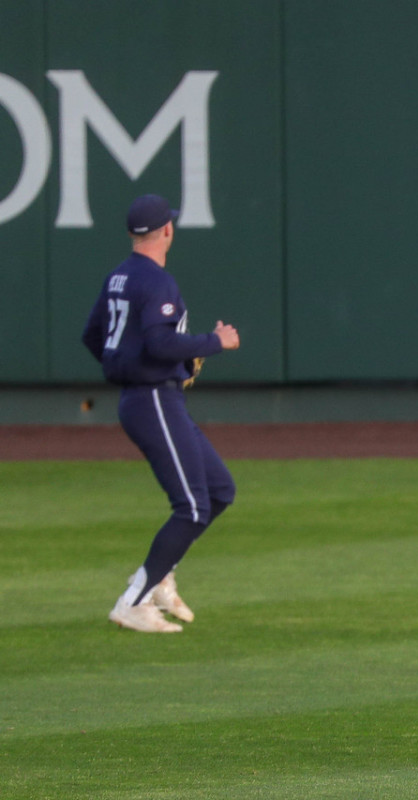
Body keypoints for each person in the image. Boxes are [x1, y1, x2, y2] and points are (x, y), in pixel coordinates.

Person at [81, 194, 241, 633]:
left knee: (219, 489)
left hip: (150, 397)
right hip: (151, 398)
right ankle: (132, 600)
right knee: (190, 507)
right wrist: (214, 342)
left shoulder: (118, 276)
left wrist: (128, 364)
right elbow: (160, 344)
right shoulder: (156, 281)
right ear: (167, 230)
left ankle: (161, 576)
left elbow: (94, 336)